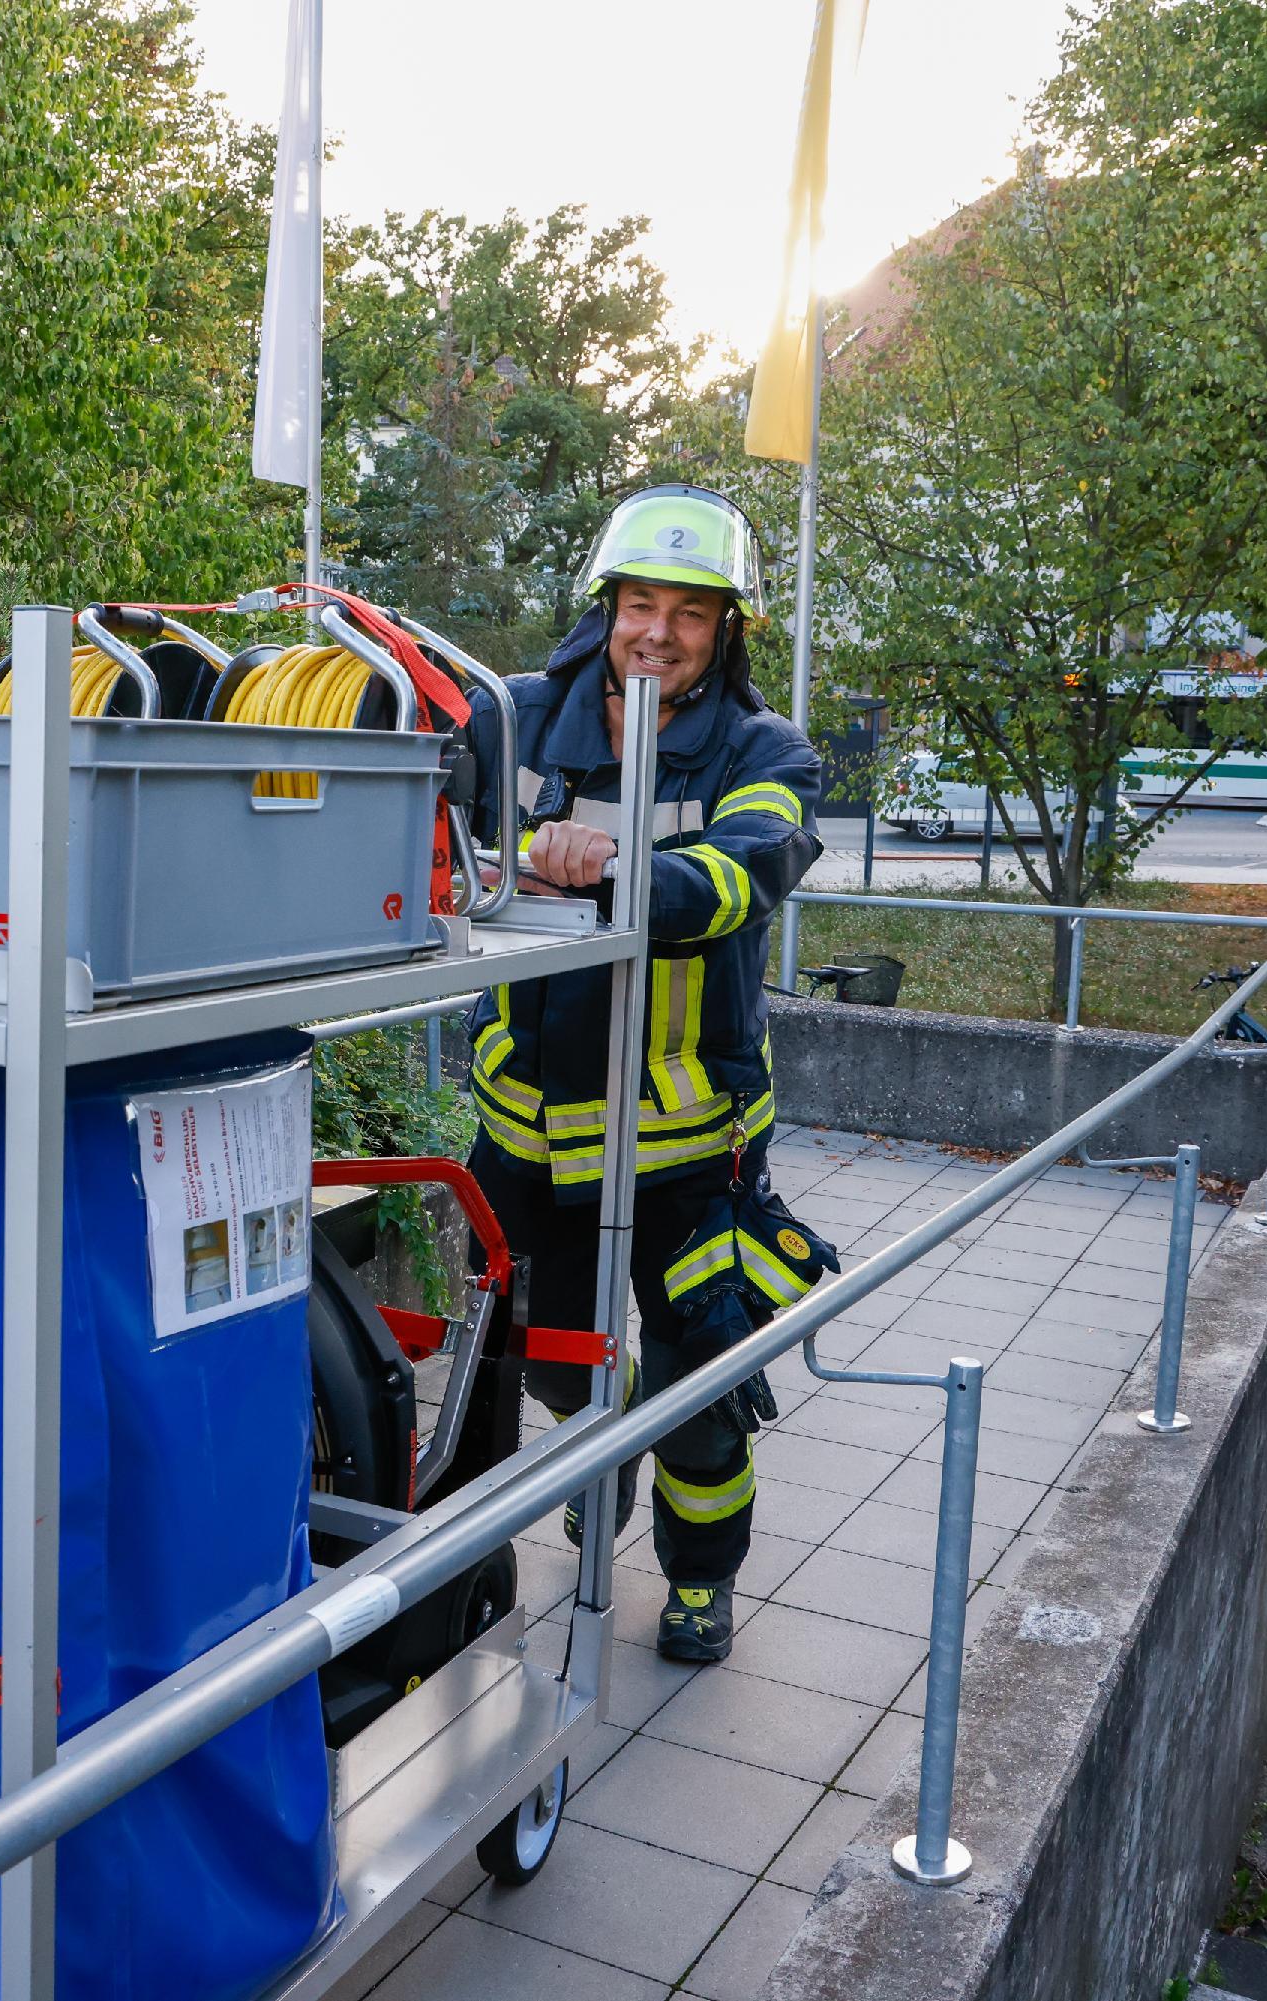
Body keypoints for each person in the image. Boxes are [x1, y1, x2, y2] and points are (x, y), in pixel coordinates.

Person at [455, 483, 831, 1663]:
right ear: (606, 607)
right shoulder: (513, 718)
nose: (658, 632)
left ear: (727, 630)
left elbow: (740, 877)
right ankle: (596, 1450)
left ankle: (702, 1579)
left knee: (696, 1390)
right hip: (527, 1136)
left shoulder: (765, 752)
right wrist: (515, 853)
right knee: (548, 1358)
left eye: (691, 612)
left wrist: (610, 867)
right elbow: (423, 828)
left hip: (689, 1147)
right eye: (640, 604)